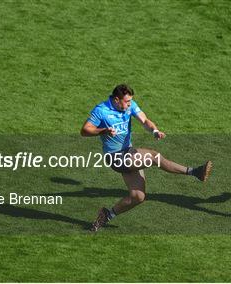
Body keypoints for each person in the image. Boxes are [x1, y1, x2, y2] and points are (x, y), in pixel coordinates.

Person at [81, 84, 213, 232]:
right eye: (127, 102)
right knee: (154, 157)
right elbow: (85, 130)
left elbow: (144, 121)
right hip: (115, 157)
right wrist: (103, 130)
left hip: (128, 152)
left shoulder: (129, 106)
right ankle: (195, 172)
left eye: (131, 101)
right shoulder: (101, 110)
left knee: (138, 197)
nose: (130, 104)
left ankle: (107, 215)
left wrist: (154, 130)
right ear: (117, 100)